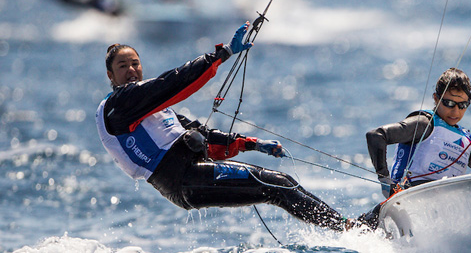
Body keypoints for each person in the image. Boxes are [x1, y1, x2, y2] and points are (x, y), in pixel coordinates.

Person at [96, 22, 366, 231]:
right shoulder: (118, 106)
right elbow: (171, 83)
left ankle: (347, 225)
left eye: (135, 64)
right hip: (180, 179)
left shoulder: (152, 110)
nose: (131, 70)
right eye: (123, 66)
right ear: (111, 75)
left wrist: (254, 144)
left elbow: (205, 137)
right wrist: (221, 55)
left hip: (191, 172)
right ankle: (350, 229)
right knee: (278, 185)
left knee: (282, 184)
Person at [366, 68, 471, 199]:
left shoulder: (466, 140)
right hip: (408, 198)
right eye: (449, 103)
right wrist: (385, 179)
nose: (455, 111)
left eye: (463, 105)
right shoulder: (423, 124)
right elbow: (376, 135)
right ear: (436, 98)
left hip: (447, 203)